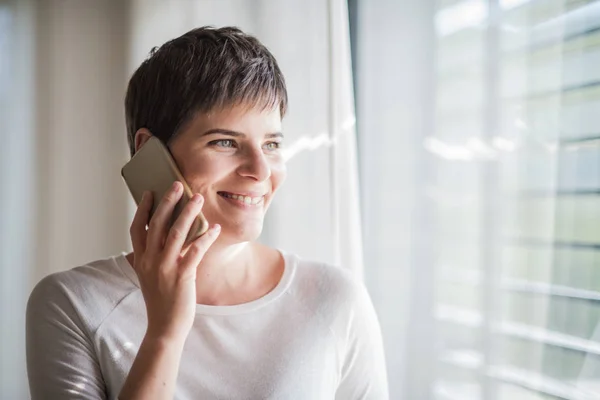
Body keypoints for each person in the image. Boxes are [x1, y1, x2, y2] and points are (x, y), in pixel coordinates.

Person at [26, 26, 388, 400]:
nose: (260, 171)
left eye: (271, 144)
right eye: (226, 142)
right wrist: (165, 333)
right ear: (149, 153)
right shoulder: (71, 303)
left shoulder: (335, 300)